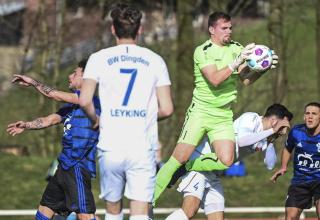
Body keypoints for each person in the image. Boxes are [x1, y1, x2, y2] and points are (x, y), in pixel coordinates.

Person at [153, 11, 279, 204]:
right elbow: (215, 80)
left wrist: (261, 70)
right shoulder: (202, 51)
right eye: (224, 28)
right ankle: (147, 203)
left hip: (223, 115)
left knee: (227, 160)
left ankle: (187, 167)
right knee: (178, 157)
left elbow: (245, 80)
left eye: (230, 27)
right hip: (200, 112)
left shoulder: (237, 48)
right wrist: (235, 62)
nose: (229, 31)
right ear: (212, 30)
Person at [79, 3, 174, 220]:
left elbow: (84, 100)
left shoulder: (98, 59)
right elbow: (167, 109)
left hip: (110, 146)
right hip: (141, 147)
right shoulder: (155, 61)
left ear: (113, 29)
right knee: (140, 213)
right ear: (140, 29)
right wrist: (145, 114)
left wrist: (96, 119)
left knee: (113, 211)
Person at [7, 59, 100, 220]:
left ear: (87, 78)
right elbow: (49, 120)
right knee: (44, 209)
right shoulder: (72, 106)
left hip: (77, 166)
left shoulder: (89, 101)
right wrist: (26, 125)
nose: (70, 76)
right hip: (64, 166)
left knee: (85, 216)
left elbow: (55, 95)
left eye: (75, 73)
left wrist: (33, 82)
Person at [165, 103, 293, 220]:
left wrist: (270, 139)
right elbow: (242, 140)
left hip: (214, 174)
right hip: (200, 164)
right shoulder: (251, 118)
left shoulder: (264, 137)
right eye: (284, 124)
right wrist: (272, 131)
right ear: (274, 121)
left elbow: (270, 165)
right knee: (190, 210)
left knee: (217, 218)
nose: (283, 131)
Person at [271, 102, 320, 220]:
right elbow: (288, 149)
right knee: (290, 217)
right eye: (307, 113)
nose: (310, 116)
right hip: (300, 180)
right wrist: (283, 166)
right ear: (304, 116)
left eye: (314, 114)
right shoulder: (297, 131)